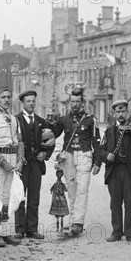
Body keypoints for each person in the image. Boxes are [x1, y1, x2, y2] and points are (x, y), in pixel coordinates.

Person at [99, 99, 131, 244]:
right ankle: (116, 232)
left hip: (129, 170)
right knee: (115, 202)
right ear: (114, 113)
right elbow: (100, 149)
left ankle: (130, 233)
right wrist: (106, 156)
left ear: (127, 112)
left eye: (123, 111)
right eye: (118, 112)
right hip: (114, 170)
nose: (121, 114)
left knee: (129, 201)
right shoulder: (109, 131)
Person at [52, 86, 101, 236]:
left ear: (82, 102)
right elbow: (52, 134)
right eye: (72, 101)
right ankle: (72, 221)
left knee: (82, 190)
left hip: (85, 156)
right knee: (72, 189)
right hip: (69, 156)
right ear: (69, 102)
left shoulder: (91, 120)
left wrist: (98, 162)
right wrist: (50, 123)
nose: (74, 104)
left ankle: (78, 223)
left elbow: (96, 142)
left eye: (77, 101)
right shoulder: (64, 119)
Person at [0, 87, 24, 247]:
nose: (6, 100)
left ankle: (6, 232)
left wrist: (20, 160)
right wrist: (2, 162)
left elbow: (20, 140)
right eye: (3, 97)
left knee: (9, 196)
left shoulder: (14, 119)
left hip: (13, 159)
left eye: (9, 97)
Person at [15, 90, 55, 239]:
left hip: (36, 165)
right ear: (23, 103)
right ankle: (19, 229)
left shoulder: (41, 121)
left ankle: (32, 228)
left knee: (34, 197)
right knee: (20, 196)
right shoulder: (15, 120)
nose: (31, 103)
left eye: (33, 101)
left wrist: (45, 154)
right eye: (28, 101)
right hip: (21, 165)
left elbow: (50, 140)